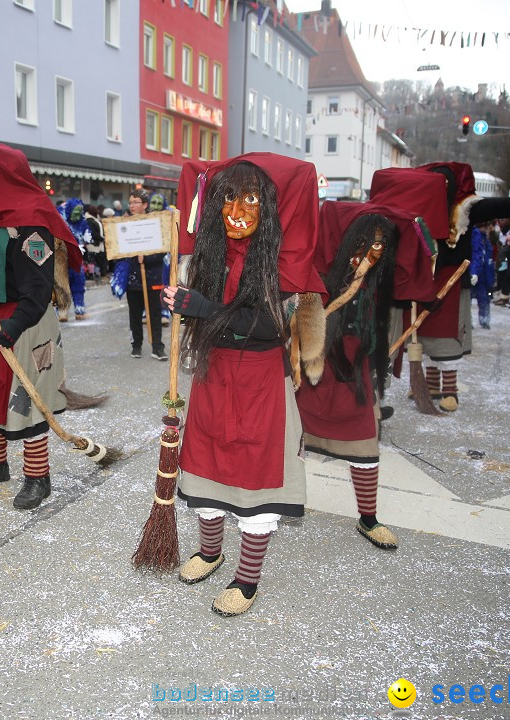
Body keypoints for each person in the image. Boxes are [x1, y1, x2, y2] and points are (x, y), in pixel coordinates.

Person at [163, 153, 326, 617]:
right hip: (214, 376)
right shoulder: (210, 257)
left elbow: (268, 326)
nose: (237, 209)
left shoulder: (287, 264)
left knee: (255, 478)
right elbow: (201, 305)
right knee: (207, 464)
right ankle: (211, 552)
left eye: (251, 198)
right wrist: (182, 297)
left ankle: (247, 578)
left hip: (260, 385)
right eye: (228, 196)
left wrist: (201, 308)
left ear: (269, 208)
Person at [295, 201, 436, 551]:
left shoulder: (379, 278)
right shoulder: (323, 270)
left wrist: (412, 226)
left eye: (379, 245)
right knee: (290, 438)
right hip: (316, 359)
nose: (371, 252)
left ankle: (368, 517)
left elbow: (410, 281)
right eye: (364, 243)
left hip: (355, 368)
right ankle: (282, 499)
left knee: (364, 440)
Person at [0, 142, 82, 511]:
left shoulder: (30, 221)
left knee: (25, 397)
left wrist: (13, 326)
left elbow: (39, 290)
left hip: (23, 323)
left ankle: (38, 475)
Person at [372, 163, 510, 412]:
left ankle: (450, 389)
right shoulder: (420, 207)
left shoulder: (461, 209)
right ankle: (430, 385)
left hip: (451, 278)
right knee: (423, 335)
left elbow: (484, 207)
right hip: (424, 280)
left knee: (446, 334)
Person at [123, 189, 167, 360]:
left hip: (152, 277)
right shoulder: (123, 223)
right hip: (132, 278)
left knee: (155, 313)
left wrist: (147, 258)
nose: (132, 205)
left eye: (136, 202)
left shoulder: (154, 224)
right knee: (134, 314)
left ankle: (157, 347)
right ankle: (136, 345)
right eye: (130, 202)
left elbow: (162, 249)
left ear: (145, 205)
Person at [57, 198, 90, 320]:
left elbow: (87, 238)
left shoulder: (82, 222)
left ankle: (79, 309)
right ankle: (62, 311)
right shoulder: (60, 217)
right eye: (75, 212)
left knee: (78, 283)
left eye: (79, 212)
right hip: (61, 258)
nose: (77, 215)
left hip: (76, 259)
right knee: (61, 284)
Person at [469, 222, 496, 328]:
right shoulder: (477, 236)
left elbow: (487, 259)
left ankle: (483, 319)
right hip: (477, 273)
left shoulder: (485, 240)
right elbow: (476, 255)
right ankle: (478, 319)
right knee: (473, 297)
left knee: (483, 298)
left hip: (483, 274)